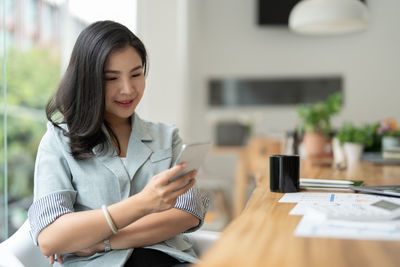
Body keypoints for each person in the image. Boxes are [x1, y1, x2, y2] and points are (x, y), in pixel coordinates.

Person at [27, 20, 209, 267]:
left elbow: (187, 214)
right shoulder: (58, 141)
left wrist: (101, 241)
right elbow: (50, 237)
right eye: (111, 78)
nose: (128, 89)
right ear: (87, 81)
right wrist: (143, 204)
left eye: (136, 74)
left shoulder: (167, 137)